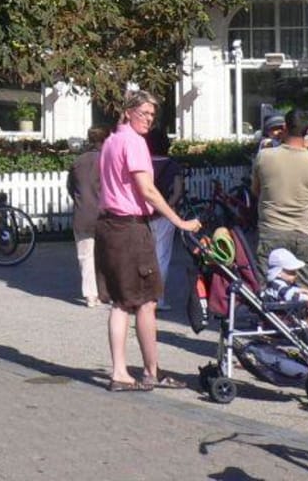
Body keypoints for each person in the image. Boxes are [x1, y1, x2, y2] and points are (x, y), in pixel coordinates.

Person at [94, 90, 200, 392]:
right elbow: (148, 190)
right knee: (146, 301)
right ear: (128, 112)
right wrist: (179, 221)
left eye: (152, 115)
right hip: (130, 227)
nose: (149, 120)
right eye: (143, 113)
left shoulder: (111, 141)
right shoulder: (134, 142)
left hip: (108, 226)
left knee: (121, 302)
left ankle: (122, 371)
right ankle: (147, 372)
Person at [250, 111, 308, 316]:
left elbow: (256, 191)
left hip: (270, 231)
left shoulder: (264, 157)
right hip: (301, 233)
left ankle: (271, 331)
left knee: (268, 292)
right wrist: (304, 205)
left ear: (284, 127)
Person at [67, 126, 107, 307]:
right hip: (105, 214)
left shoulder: (77, 161)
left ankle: (90, 295)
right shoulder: (108, 159)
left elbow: (70, 187)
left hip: (82, 213)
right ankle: (105, 292)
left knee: (85, 256)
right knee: (106, 255)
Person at [147, 127, 185, 312]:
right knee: (162, 255)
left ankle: (143, 296)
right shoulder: (172, 165)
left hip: (145, 213)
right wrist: (166, 207)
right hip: (166, 215)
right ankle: (158, 298)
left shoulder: (144, 163)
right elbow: (177, 192)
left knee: (146, 255)